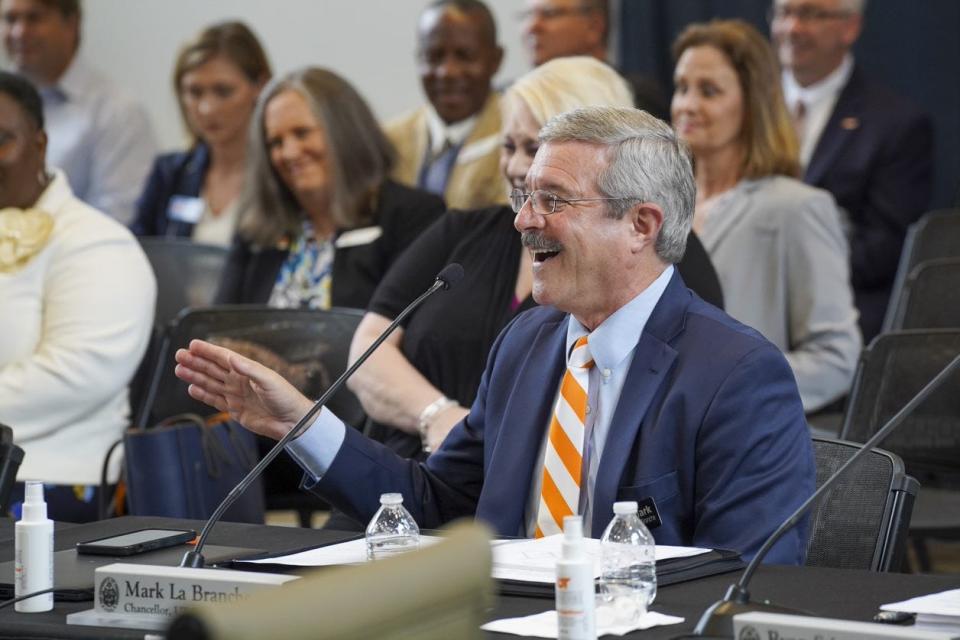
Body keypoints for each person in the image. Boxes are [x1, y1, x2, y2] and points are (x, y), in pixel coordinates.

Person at [176, 105, 815, 562]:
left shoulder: (735, 375)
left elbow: (744, 577)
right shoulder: (525, 345)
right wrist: (301, 424)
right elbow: (438, 502)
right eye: (524, 197)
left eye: (554, 201)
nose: (524, 223)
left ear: (642, 225)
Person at [351, 56, 723, 468]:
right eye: (508, 146)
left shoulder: (665, 254)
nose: (514, 166)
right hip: (409, 470)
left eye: (535, 147)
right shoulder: (463, 231)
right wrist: (438, 416)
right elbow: (368, 348)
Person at [671, 19, 861, 414]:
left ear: (753, 102)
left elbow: (836, 358)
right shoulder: (657, 206)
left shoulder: (798, 208)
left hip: (742, 443)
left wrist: (732, 384)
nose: (687, 105)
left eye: (709, 91)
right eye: (682, 87)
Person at [0, 71, 155, 521]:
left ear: (40, 144)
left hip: (47, 476)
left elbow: (74, 375)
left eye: (2, 139)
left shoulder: (98, 243)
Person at [213, 67, 445, 310]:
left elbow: (408, 329)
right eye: (276, 142)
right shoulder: (257, 228)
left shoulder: (413, 217)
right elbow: (217, 326)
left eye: (302, 133)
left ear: (345, 131)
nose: (289, 153)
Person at [770, 0, 933, 343]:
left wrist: (783, 270)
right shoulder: (736, 107)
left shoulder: (896, 124)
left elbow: (885, 247)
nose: (793, 28)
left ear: (850, 27)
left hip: (838, 322)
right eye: (785, 12)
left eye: (811, 14)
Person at [0, 0, 157, 224]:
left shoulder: (117, 112)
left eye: (34, 18)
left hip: (67, 252)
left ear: (72, 23)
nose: (19, 32)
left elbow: (114, 218)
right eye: (10, 19)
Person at [130, 21, 270, 246]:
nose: (207, 108)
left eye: (223, 91)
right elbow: (135, 253)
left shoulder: (280, 176)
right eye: (195, 92)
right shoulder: (170, 174)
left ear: (260, 86)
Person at [385, 0, 505, 211]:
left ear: (495, 60)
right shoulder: (389, 141)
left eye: (465, 56)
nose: (447, 72)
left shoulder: (519, 141)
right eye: (434, 56)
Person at [519, 0, 668, 120]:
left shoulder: (633, 95)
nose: (532, 26)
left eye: (549, 14)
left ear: (594, 27)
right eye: (527, 15)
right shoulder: (517, 95)